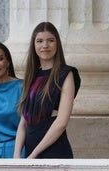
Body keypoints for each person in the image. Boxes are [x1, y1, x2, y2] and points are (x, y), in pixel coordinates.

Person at [14, 22, 81, 159]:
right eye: (39, 41)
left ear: (57, 44)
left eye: (50, 40)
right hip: (29, 153)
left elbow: (61, 122)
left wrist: (34, 154)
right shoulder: (32, 76)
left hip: (54, 152)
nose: (45, 45)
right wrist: (16, 156)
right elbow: (23, 122)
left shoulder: (66, 74)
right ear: (34, 45)